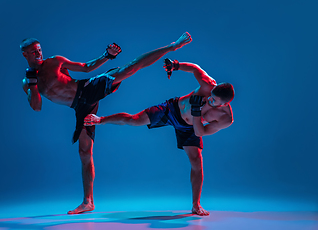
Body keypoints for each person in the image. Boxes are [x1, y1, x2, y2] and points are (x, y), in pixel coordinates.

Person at [21, 32, 192, 214]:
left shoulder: (54, 62)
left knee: (129, 68)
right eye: (33, 52)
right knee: (84, 152)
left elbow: (86, 68)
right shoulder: (28, 82)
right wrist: (32, 83)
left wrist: (106, 56)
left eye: (39, 50)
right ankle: (88, 202)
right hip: (80, 107)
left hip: (87, 89)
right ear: (25, 55)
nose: (38, 54)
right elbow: (37, 106)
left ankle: (172, 46)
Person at [84, 58, 235, 216]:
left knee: (197, 161)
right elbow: (195, 68)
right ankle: (100, 119)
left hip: (190, 128)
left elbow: (200, 132)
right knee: (134, 120)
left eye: (214, 100)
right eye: (211, 95)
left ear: (224, 104)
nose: (209, 99)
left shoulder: (225, 119)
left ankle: (196, 205)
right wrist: (176, 65)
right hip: (171, 110)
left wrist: (196, 111)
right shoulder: (208, 85)